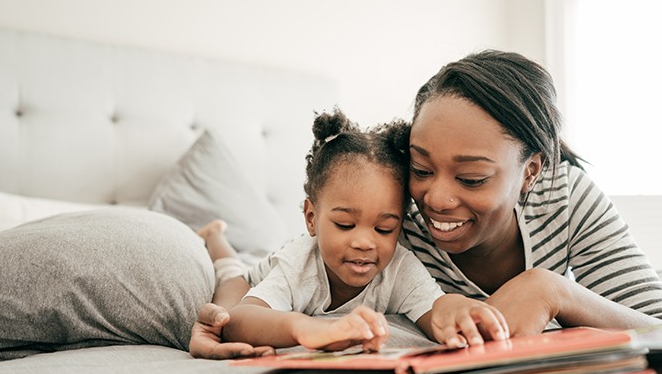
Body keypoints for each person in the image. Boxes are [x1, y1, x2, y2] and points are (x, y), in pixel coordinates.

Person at [190, 50, 662, 359]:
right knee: (236, 267)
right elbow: (296, 278)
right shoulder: (388, 219)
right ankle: (217, 240)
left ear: (531, 170)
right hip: (263, 268)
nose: (435, 199)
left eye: (471, 177)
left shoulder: (567, 197)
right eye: (421, 169)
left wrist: (555, 291)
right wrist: (225, 315)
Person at [193, 109, 509, 356]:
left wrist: (457, 308)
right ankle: (215, 236)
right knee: (230, 280)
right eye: (345, 225)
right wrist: (306, 329)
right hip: (252, 279)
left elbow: (434, 307)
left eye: (385, 229)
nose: (363, 242)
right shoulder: (298, 264)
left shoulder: (400, 268)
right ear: (312, 218)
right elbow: (243, 319)